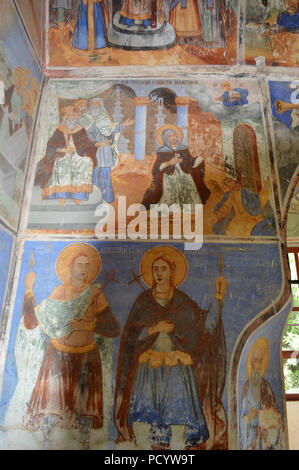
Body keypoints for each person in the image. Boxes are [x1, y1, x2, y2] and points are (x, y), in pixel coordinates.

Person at [114, 245, 228, 450]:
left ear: (172, 272)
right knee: (144, 425)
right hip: (149, 368)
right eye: (155, 269)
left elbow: (207, 327)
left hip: (177, 370)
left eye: (163, 268)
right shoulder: (143, 302)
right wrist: (153, 329)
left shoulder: (183, 302)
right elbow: (129, 338)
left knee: (178, 425)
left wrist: (218, 297)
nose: (159, 273)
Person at [22, 243, 121, 449]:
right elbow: (33, 321)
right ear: (70, 267)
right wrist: (29, 291)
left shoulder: (95, 293)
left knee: (84, 410)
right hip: (59, 356)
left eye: (87, 265)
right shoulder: (60, 291)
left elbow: (113, 328)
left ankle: (85, 445)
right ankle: (47, 443)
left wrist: (89, 324)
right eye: (79, 265)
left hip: (87, 355)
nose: (83, 269)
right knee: (52, 407)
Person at [34, 105, 101, 205]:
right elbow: (51, 146)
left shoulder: (80, 130)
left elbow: (86, 144)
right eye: (69, 119)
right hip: (62, 155)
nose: (71, 122)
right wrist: (64, 150)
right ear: (65, 120)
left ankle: (78, 195)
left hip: (77, 155)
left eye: (73, 120)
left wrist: (95, 144)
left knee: (87, 162)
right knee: (62, 163)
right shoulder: (59, 131)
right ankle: (62, 194)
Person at [77, 97, 134, 203]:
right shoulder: (85, 118)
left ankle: (106, 197)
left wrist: (123, 125)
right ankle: (91, 197)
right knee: (92, 172)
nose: (95, 106)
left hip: (104, 148)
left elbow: (111, 129)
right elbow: (80, 133)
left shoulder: (104, 118)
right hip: (91, 148)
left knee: (105, 173)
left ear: (101, 106)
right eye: (93, 104)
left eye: (97, 104)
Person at [142, 124, 210, 210]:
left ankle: (188, 207)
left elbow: (189, 160)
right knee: (171, 192)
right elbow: (158, 166)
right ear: (165, 139)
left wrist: (183, 161)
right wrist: (169, 162)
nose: (173, 137)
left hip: (184, 174)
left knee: (188, 190)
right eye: (169, 136)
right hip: (170, 176)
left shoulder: (183, 148)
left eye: (174, 135)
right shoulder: (162, 151)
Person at [240, 338, 285, 450]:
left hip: (266, 439)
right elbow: (242, 418)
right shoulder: (247, 386)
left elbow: (275, 412)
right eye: (256, 360)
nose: (259, 364)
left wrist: (273, 415)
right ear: (251, 362)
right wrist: (248, 417)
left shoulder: (267, 387)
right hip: (252, 439)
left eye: (261, 361)